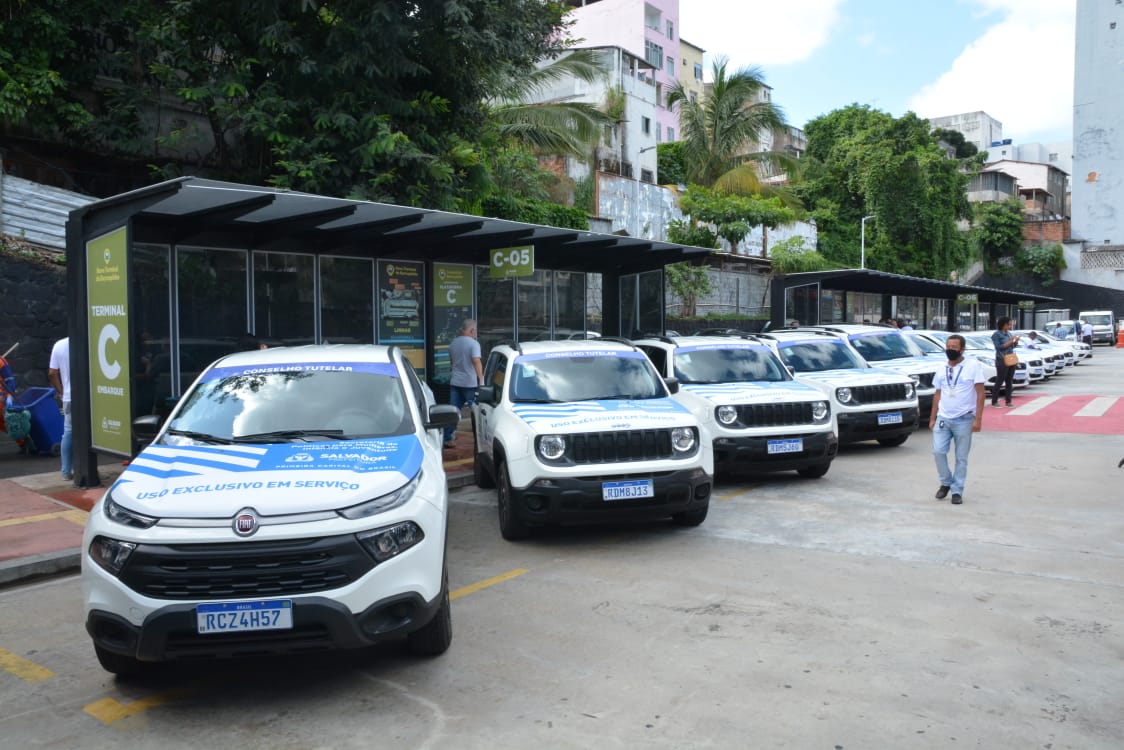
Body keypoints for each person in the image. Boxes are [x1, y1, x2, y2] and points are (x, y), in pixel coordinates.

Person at [930, 334, 986, 505]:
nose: (950, 350)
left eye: (954, 347)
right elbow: (937, 394)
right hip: (943, 417)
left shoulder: (973, 366)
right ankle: (946, 482)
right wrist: (932, 418)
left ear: (962, 349)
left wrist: (978, 419)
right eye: (948, 346)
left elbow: (981, 393)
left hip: (964, 418)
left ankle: (957, 490)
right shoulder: (941, 369)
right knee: (938, 451)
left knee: (961, 457)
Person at [445, 318, 483, 448]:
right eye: (475, 330)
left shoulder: (453, 344)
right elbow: (476, 361)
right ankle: (480, 438)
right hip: (470, 385)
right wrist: (481, 379)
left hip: (455, 382)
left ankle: (447, 438)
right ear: (472, 330)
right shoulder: (474, 344)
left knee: (453, 411)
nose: (476, 333)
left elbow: (452, 363)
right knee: (477, 412)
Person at [47, 336, 73, 482]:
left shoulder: (59, 344)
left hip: (69, 396)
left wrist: (61, 391)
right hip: (89, 397)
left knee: (68, 432)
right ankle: (89, 469)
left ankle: (66, 470)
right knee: (90, 434)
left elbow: (52, 373)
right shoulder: (89, 341)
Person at [990, 317, 1019, 407]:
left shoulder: (1009, 334)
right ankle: (994, 401)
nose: (1010, 326)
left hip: (1011, 358)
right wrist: (1010, 342)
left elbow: (1012, 346)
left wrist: (1015, 342)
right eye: (1008, 324)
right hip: (1002, 359)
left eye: (1010, 324)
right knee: (1000, 380)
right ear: (1003, 325)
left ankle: (1008, 401)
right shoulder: (996, 334)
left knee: (1009, 381)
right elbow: (999, 347)